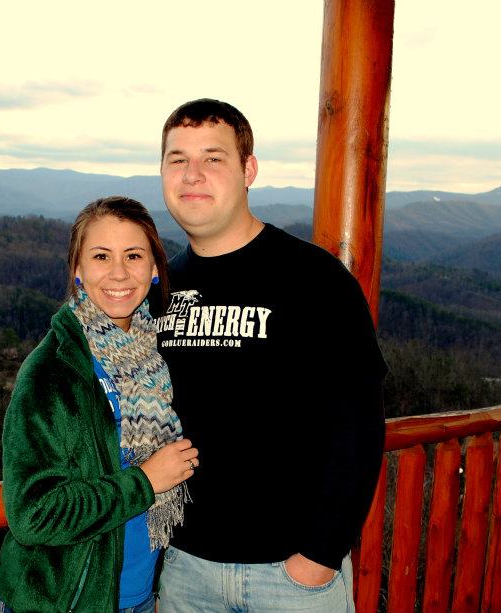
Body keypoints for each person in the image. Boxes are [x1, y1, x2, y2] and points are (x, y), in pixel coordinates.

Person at [153, 99, 386, 612]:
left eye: (213, 158)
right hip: (186, 570)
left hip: (290, 576)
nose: (192, 174)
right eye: (177, 159)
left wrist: (319, 556)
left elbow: (359, 424)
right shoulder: (161, 291)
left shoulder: (314, 280)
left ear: (248, 170)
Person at [0, 196, 200, 613]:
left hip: (140, 598)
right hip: (65, 603)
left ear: (155, 268)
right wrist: (145, 481)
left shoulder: (156, 359)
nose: (119, 273)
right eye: (101, 256)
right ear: (78, 270)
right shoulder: (52, 371)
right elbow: (32, 515)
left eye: (133, 255)